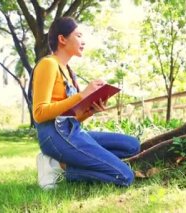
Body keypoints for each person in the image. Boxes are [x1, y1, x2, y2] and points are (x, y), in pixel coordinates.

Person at [30, 16, 140, 190]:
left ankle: (63, 163)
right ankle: (60, 168)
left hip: (72, 132)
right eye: (79, 35)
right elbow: (39, 113)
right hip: (53, 137)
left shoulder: (69, 73)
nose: (84, 41)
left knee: (132, 145)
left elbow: (69, 117)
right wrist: (82, 95)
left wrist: (90, 110)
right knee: (125, 177)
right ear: (62, 39)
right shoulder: (48, 64)